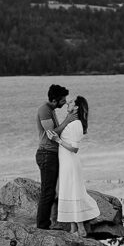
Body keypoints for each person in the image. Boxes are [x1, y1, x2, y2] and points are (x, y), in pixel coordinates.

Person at [55, 96, 99, 237]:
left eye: (72, 102)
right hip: (65, 162)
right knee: (67, 192)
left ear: (77, 107)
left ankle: (81, 229)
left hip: (70, 163)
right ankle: (73, 229)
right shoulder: (72, 122)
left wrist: (57, 140)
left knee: (73, 192)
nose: (68, 102)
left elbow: (74, 148)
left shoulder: (76, 124)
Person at [36, 84, 77, 230]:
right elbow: (52, 134)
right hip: (47, 154)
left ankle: (53, 222)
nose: (65, 102)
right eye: (63, 100)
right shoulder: (44, 110)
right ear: (54, 100)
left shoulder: (50, 110)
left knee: (52, 191)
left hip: (52, 154)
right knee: (48, 191)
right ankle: (42, 225)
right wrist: (68, 119)